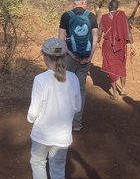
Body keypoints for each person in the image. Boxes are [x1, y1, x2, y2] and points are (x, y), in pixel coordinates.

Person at [28, 38, 81, 179]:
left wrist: (31, 119)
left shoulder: (40, 79)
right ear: (64, 56)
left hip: (42, 134)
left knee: (38, 162)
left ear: (45, 57)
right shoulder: (74, 78)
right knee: (58, 168)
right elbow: (77, 107)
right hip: (62, 136)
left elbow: (33, 112)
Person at [59, 0, 98, 131]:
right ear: (83, 2)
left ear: (74, 2)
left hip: (70, 57)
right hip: (86, 57)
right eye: (86, 2)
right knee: (81, 89)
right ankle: (76, 123)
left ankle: (64, 121)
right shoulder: (92, 16)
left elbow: (61, 39)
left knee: (66, 88)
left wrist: (71, 54)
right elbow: (95, 39)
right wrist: (89, 57)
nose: (87, 4)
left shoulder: (65, 16)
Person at [98, 0, 135, 100]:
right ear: (117, 7)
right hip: (120, 44)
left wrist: (97, 42)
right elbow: (128, 32)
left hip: (108, 45)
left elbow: (99, 32)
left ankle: (115, 93)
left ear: (110, 6)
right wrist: (132, 44)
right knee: (121, 65)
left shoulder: (104, 17)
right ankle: (123, 89)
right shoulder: (123, 16)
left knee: (110, 67)